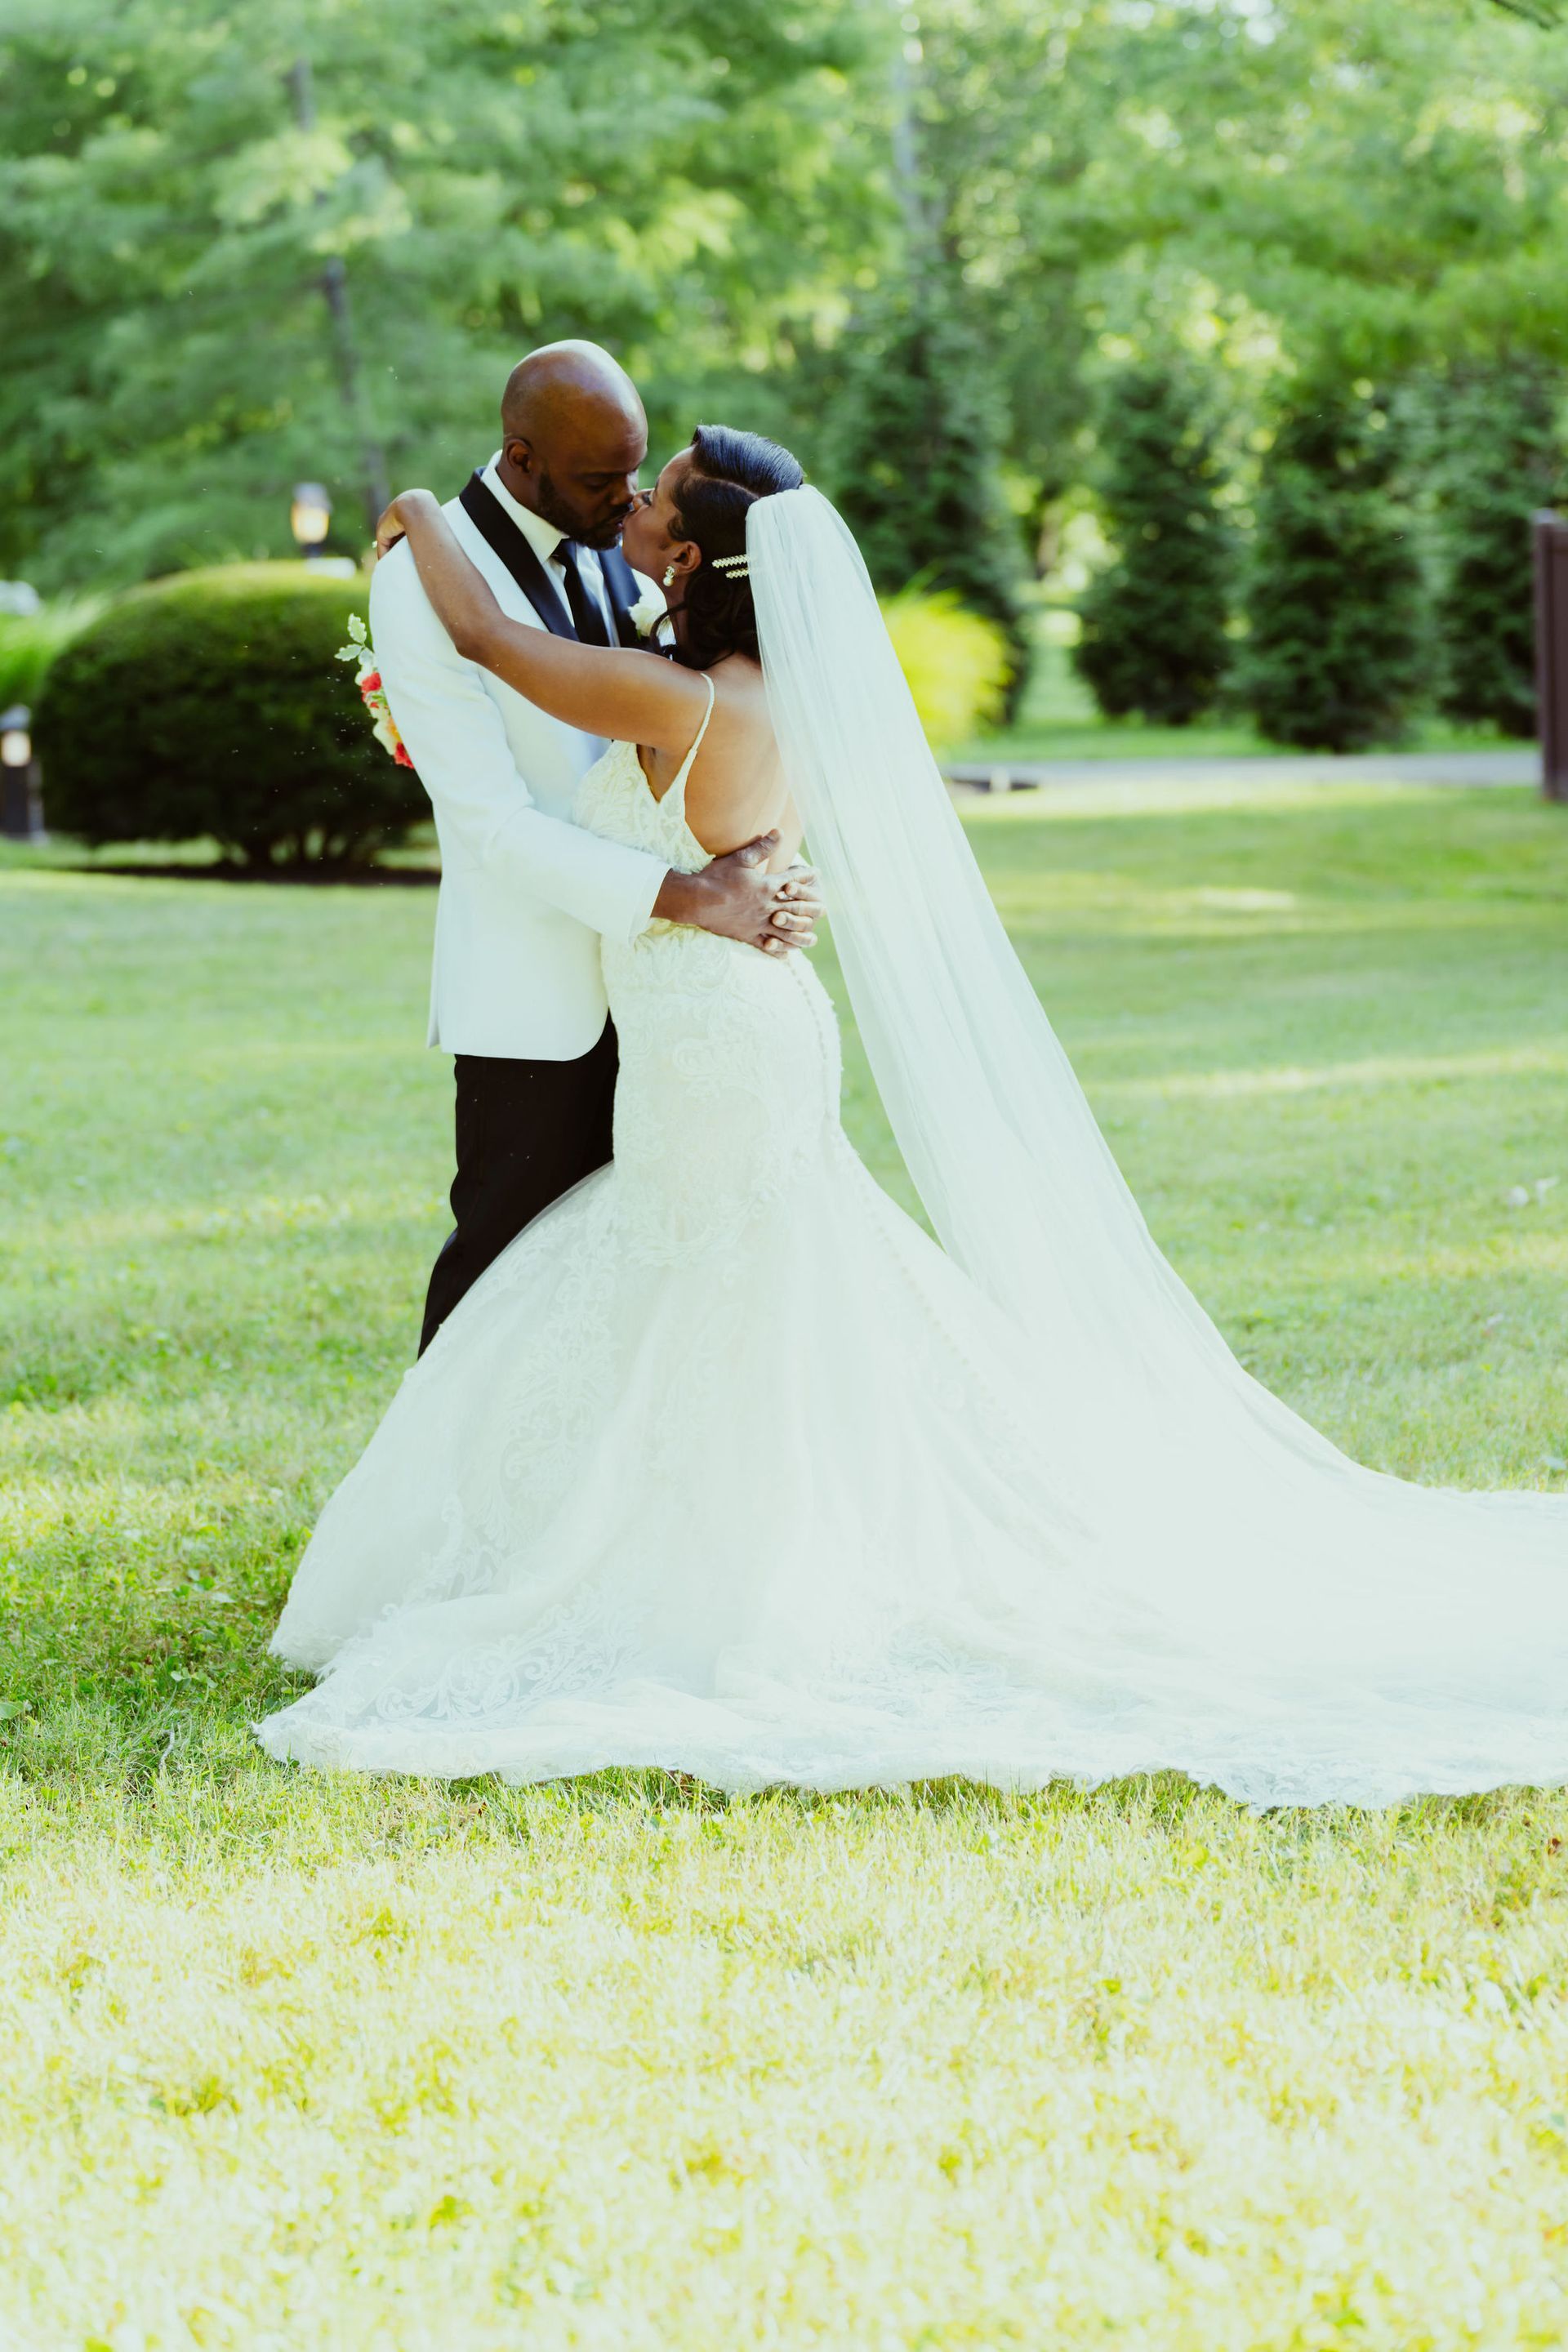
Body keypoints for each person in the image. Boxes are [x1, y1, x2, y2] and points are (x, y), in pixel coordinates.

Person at [257, 424, 1568, 1809]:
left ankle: (707, 1569)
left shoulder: (680, 700)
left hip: (715, 1040)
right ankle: (715, 1534)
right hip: (741, 1028)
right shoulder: (762, 691)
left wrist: (406, 500)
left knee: (715, 1294)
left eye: (664, 494)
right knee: (749, 1290)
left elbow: (489, 639)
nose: (636, 503)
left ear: (694, 558)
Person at [367, 341, 822, 1352]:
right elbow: (489, 826)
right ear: (521, 458)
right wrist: (697, 896)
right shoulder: (424, 588)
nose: (626, 503)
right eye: (598, 479)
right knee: (500, 1282)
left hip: (678, 1014)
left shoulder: (644, 560)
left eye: (637, 474)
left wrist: (770, 870)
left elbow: (719, 747)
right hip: (542, 1002)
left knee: (667, 1296)